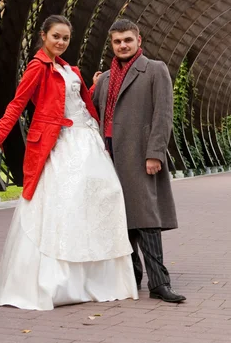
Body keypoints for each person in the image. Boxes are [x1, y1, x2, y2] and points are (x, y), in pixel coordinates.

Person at [0, 15, 138, 310]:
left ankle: (95, 282)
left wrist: (92, 86)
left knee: (103, 198)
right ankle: (60, 283)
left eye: (65, 38)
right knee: (65, 204)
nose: (61, 42)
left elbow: (77, 104)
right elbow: (16, 105)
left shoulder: (68, 68)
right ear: (44, 36)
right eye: (56, 37)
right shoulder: (37, 68)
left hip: (88, 139)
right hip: (61, 142)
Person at [92, 19, 186, 303]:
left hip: (139, 153)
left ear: (138, 40)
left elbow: (163, 114)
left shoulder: (155, 69)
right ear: (112, 44)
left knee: (145, 219)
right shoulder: (105, 78)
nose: (122, 45)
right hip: (109, 154)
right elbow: (93, 111)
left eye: (127, 41)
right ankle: (131, 278)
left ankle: (159, 282)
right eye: (117, 41)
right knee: (120, 219)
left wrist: (155, 154)